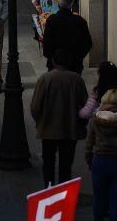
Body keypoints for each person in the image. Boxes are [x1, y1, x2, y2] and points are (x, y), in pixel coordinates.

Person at [30, 49, 89, 188]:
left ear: (53, 62)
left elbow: (35, 107)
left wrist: (40, 121)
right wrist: (80, 124)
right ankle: (63, 193)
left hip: (48, 129)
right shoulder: (76, 79)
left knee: (48, 163)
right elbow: (85, 105)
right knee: (66, 165)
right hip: (70, 129)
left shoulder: (45, 79)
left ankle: (49, 189)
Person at [85, 88, 117, 221]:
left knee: (99, 197)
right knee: (116, 199)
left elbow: (89, 143)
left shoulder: (95, 120)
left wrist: (89, 160)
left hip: (99, 160)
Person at [41, 0, 92, 74]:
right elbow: (88, 43)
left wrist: (52, 57)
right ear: (71, 5)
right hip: (74, 65)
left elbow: (47, 42)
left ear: (58, 5)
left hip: (55, 64)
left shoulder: (51, 20)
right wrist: (78, 57)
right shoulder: (79, 21)